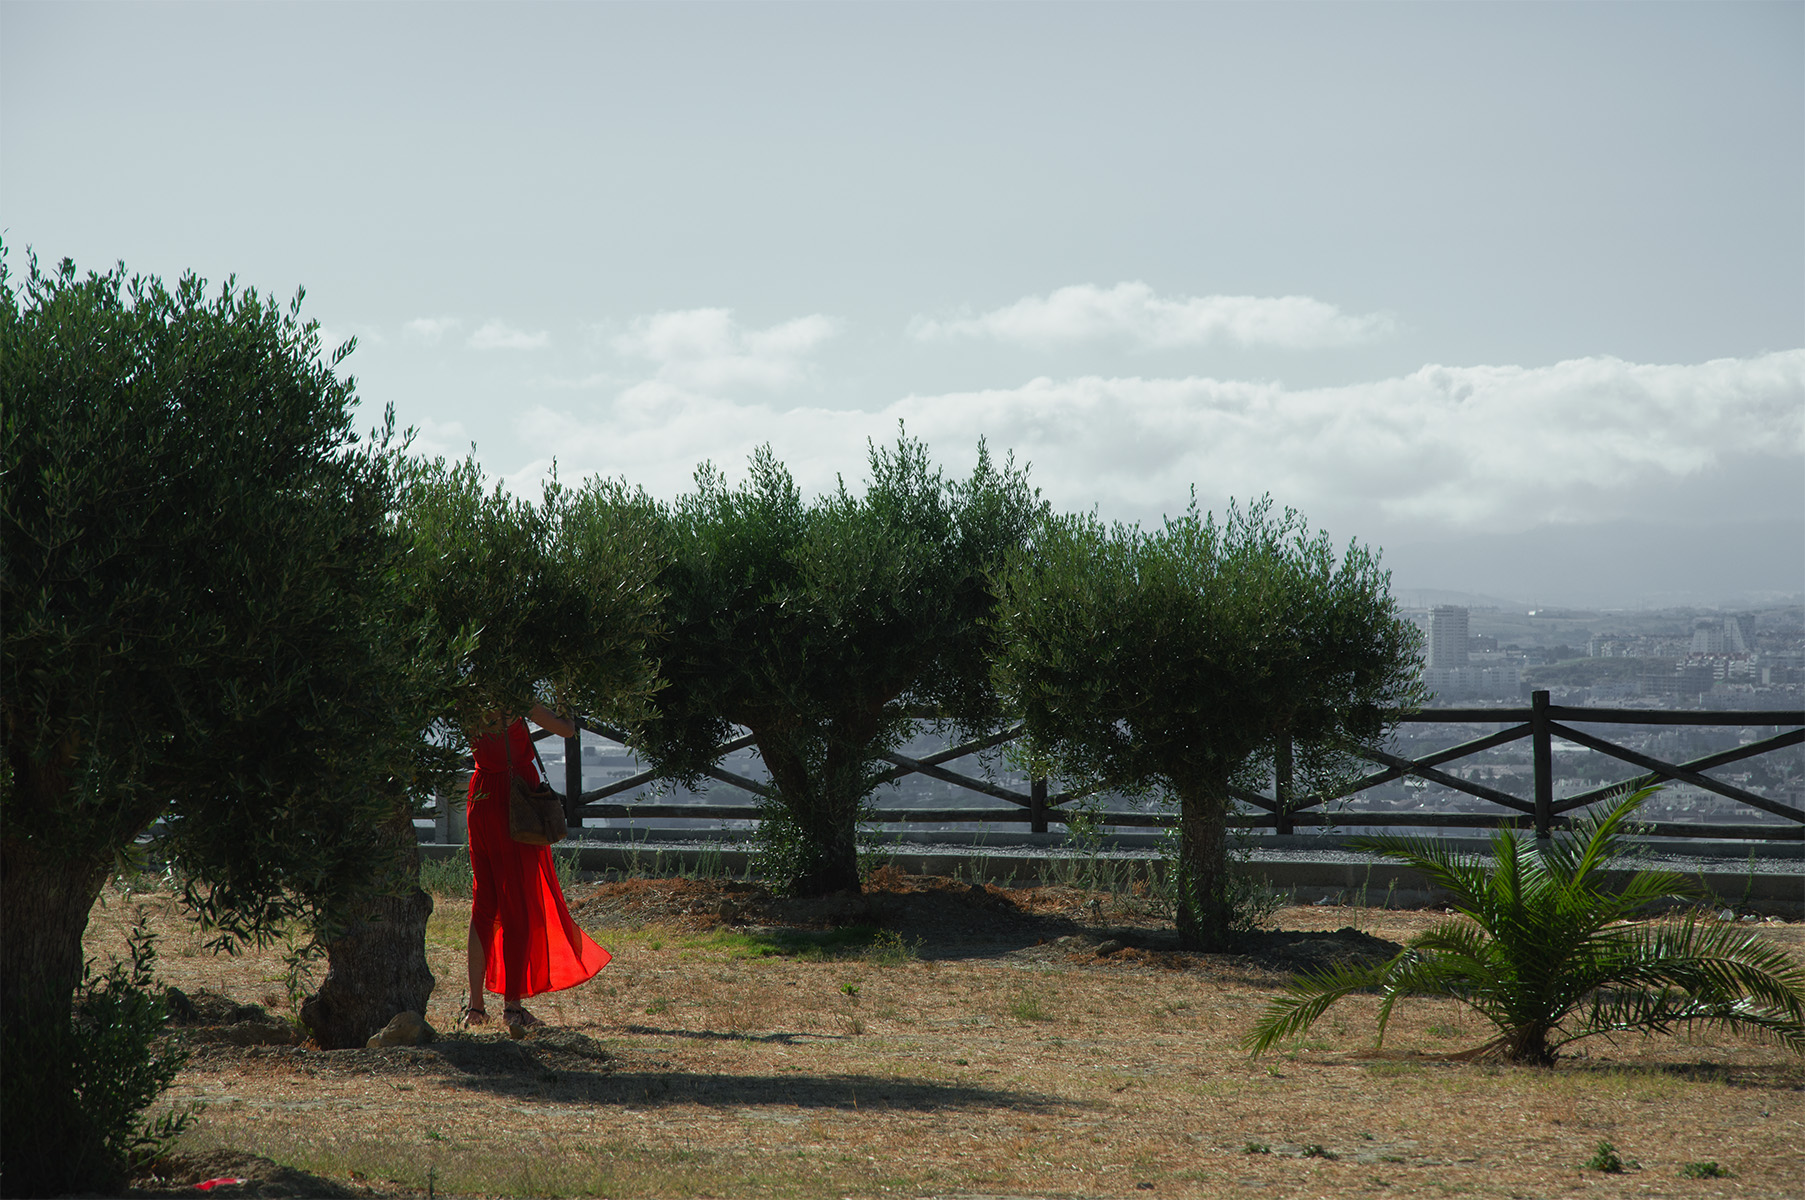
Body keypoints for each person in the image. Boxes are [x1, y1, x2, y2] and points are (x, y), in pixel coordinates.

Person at [462, 703, 611, 1037]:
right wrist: (564, 698)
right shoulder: (514, 695)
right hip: (515, 801)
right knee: (518, 906)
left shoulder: (465, 699)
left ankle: (475, 1007)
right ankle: (512, 1007)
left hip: (482, 795)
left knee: (483, 905)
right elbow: (566, 729)